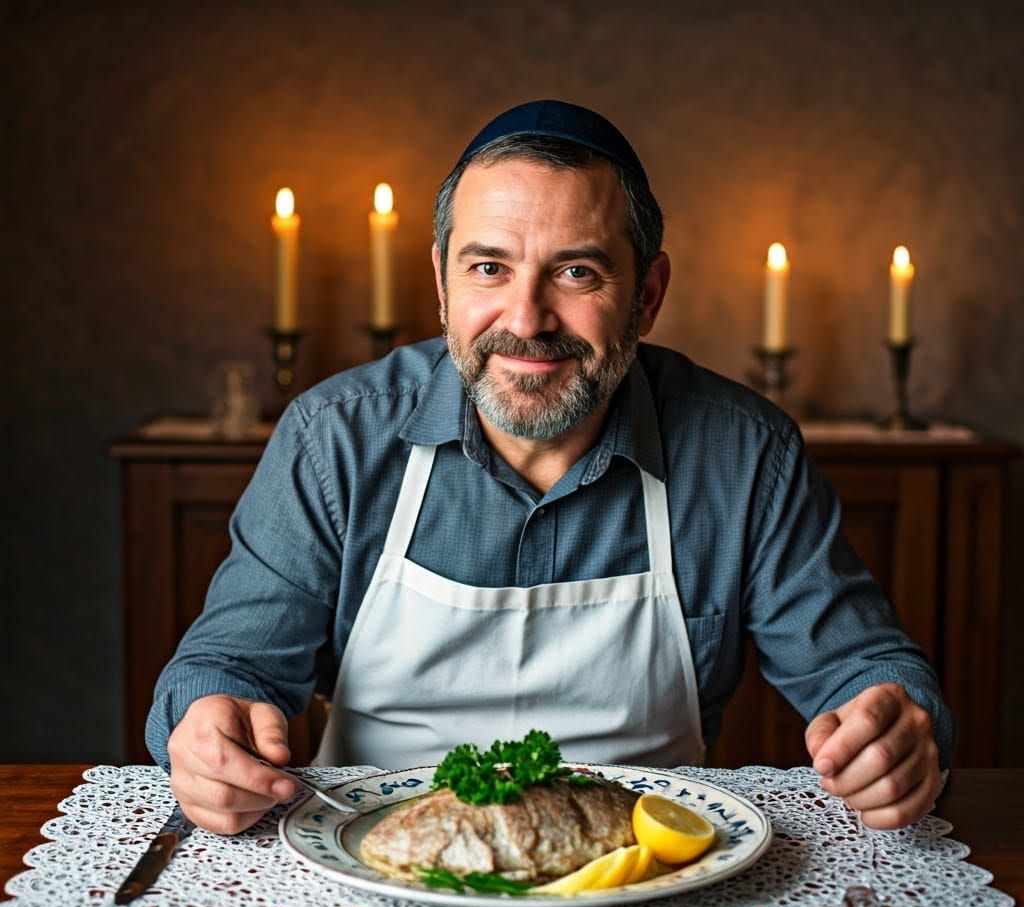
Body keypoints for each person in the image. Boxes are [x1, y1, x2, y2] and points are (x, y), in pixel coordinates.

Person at [148, 99, 952, 837]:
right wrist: (211, 722)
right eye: (489, 268)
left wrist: (895, 728)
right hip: (375, 861)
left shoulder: (744, 453)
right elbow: (228, 666)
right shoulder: (336, 438)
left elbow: (864, 670)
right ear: (441, 282)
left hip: (642, 878)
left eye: (576, 272)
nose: (527, 320)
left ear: (647, 295)